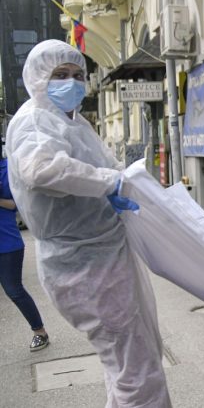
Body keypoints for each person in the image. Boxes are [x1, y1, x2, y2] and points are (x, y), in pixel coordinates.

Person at [5, 40, 171, 406]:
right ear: (36, 79)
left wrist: (118, 179)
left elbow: (103, 165)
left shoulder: (74, 122)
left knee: (130, 362)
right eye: (60, 75)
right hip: (84, 266)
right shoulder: (34, 120)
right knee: (137, 370)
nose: (73, 83)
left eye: (79, 75)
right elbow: (42, 168)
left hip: (103, 256)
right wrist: (108, 182)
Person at [0, 154, 50, 351]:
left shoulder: (9, 169)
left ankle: (40, 332)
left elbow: (15, 204)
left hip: (7, 243)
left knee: (14, 290)